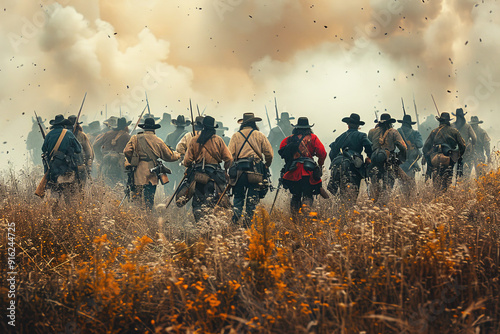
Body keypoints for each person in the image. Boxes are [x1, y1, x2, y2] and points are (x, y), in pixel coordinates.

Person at [183, 116, 233, 223]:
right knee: (217, 200)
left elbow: (186, 161)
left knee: (197, 202)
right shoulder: (218, 140)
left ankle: (200, 224)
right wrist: (225, 169)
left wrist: (191, 165)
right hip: (214, 175)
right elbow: (229, 158)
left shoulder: (194, 140)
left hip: (198, 176)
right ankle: (210, 224)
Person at [123, 118, 181, 210]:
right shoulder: (158, 140)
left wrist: (134, 160)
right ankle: (148, 216)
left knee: (136, 199)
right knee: (149, 199)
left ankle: (137, 216)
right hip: (152, 172)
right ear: (154, 129)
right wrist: (178, 155)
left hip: (138, 171)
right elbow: (169, 156)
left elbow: (126, 151)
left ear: (144, 128)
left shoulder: (135, 138)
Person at [228, 113, 273, 226]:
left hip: (239, 170)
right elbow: (269, 154)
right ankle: (248, 222)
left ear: (243, 124)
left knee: (238, 197)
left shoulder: (235, 136)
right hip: (256, 169)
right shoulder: (259, 135)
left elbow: (230, 155)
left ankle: (236, 220)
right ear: (254, 123)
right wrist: (266, 165)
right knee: (252, 198)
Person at [279, 117, 327, 215]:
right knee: (308, 195)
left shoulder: (289, 139)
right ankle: (306, 212)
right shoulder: (313, 138)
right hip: (308, 172)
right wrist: (320, 165)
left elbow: (282, 151)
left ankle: (295, 219)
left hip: (293, 171)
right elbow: (322, 153)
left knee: (296, 195)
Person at [328, 113, 372, 203]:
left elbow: (332, 151)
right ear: (358, 126)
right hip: (353, 164)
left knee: (341, 190)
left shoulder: (341, 136)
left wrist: (334, 161)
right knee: (353, 191)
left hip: (339, 162)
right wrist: (369, 157)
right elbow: (368, 146)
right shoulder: (362, 135)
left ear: (348, 125)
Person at [367, 113, 408, 202]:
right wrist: (401, 159)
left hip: (374, 162)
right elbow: (403, 147)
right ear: (390, 122)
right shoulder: (394, 132)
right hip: (389, 162)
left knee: (374, 186)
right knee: (406, 181)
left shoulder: (371, 132)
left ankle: (373, 204)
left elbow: (369, 144)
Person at [41, 115, 82, 204]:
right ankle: (70, 211)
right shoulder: (68, 133)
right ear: (64, 124)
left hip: (53, 169)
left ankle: (55, 212)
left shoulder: (49, 135)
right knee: (70, 197)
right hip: (67, 168)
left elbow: (44, 150)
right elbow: (78, 149)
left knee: (55, 196)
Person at [423, 112, 466, 192]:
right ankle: (444, 195)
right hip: (448, 159)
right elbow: (462, 146)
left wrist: (428, 161)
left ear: (440, 121)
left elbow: (425, 148)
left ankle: (436, 196)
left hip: (435, 159)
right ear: (448, 121)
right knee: (447, 179)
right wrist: (458, 156)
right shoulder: (454, 131)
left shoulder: (434, 132)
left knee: (436, 180)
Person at [93, 117, 131, 186]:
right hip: (120, 165)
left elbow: (95, 145)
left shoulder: (107, 134)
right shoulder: (127, 136)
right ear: (125, 127)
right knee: (124, 183)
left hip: (105, 162)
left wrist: (100, 158)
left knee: (104, 184)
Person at [67, 115, 94, 187]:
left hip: (66, 166)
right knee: (81, 186)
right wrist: (88, 164)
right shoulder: (82, 135)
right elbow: (89, 152)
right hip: (78, 165)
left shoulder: (62, 135)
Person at [268, 112, 294, 183]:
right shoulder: (293, 129)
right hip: (292, 155)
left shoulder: (274, 130)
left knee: (276, 174)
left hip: (278, 155)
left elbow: (269, 144)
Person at [452, 108, 476, 177]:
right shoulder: (468, 126)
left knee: (453, 168)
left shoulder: (452, 126)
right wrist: (472, 145)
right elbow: (474, 138)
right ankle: (464, 181)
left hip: (454, 151)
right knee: (466, 166)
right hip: (466, 150)